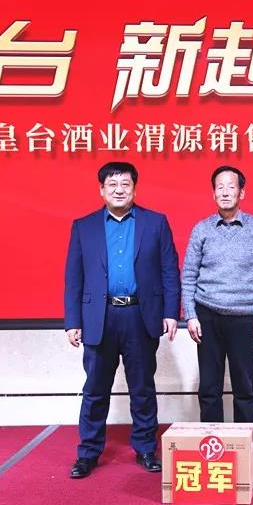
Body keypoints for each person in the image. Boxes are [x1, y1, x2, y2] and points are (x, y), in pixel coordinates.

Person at [64, 161, 180, 479]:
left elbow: (169, 270)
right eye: (112, 184)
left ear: (134, 188)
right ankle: (88, 453)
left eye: (125, 184)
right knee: (95, 389)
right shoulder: (84, 226)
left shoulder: (155, 223)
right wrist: (73, 320)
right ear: (101, 190)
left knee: (142, 387)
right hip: (98, 317)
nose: (119, 190)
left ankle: (146, 448)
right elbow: (74, 277)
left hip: (139, 315)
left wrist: (171, 312)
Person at [181, 166, 253, 472]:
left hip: (244, 318)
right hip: (207, 316)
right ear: (213, 193)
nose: (225, 192)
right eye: (219, 187)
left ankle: (248, 449)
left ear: (241, 192)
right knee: (209, 388)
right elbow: (188, 276)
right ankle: (213, 449)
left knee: (244, 389)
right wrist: (191, 315)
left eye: (231, 186)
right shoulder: (202, 229)